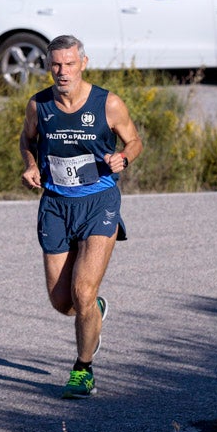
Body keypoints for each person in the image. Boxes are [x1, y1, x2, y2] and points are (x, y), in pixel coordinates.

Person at [19, 34, 143, 398]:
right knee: (64, 303)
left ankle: (83, 369)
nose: (63, 71)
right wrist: (30, 165)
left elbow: (134, 141)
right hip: (56, 204)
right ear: (48, 66)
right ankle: (94, 312)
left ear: (83, 63)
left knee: (83, 291)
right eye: (56, 64)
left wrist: (124, 158)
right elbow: (27, 140)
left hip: (98, 202)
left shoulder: (108, 103)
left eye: (70, 64)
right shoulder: (38, 105)